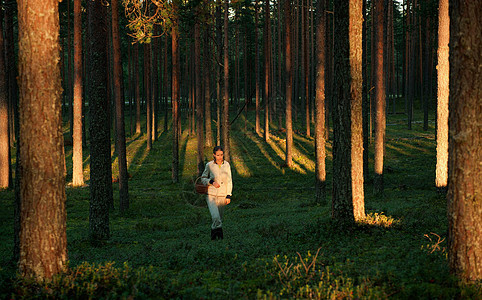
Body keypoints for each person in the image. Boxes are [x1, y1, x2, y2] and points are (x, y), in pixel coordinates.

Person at [200, 146, 233, 240]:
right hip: (211, 195)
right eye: (218, 155)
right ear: (214, 155)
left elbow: (229, 180)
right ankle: (220, 237)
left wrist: (228, 195)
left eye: (221, 155)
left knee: (219, 218)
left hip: (223, 195)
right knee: (215, 217)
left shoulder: (226, 165)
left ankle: (215, 239)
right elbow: (203, 178)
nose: (220, 157)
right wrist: (211, 182)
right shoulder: (209, 165)